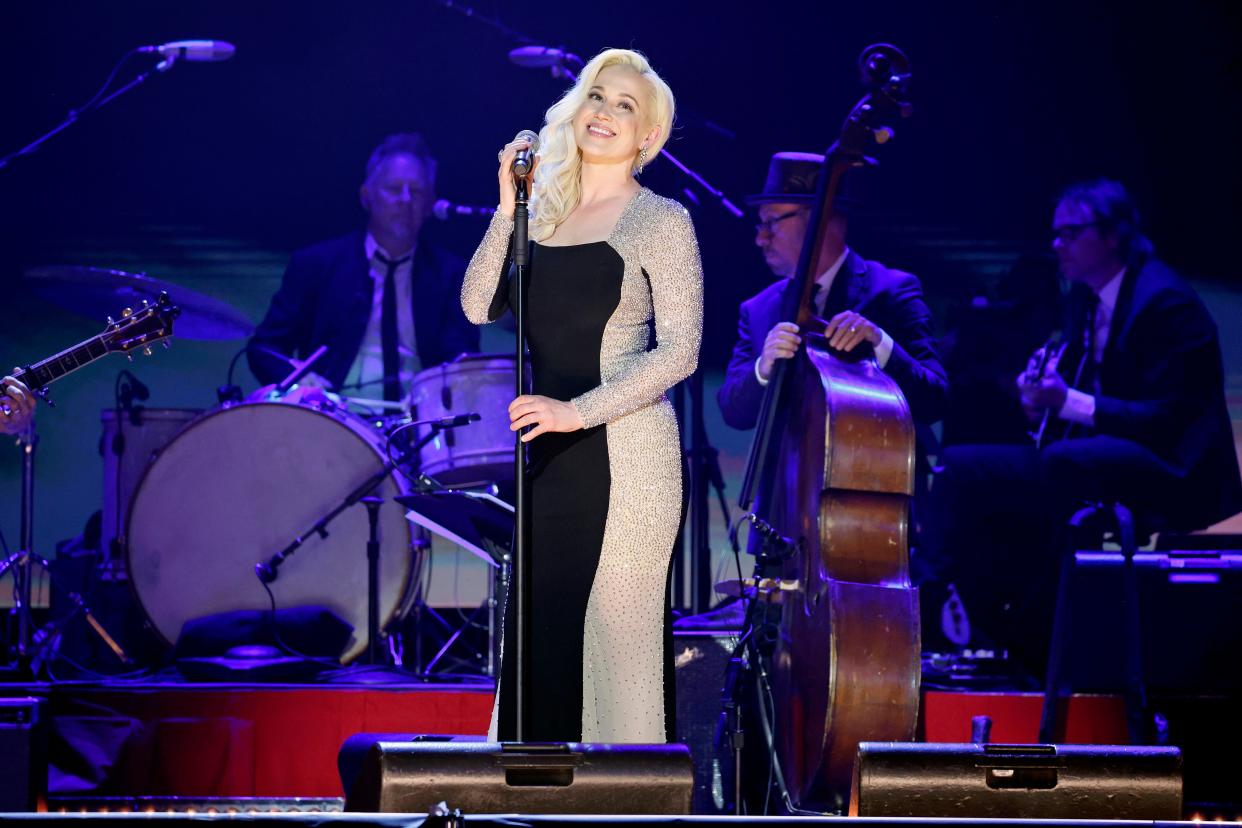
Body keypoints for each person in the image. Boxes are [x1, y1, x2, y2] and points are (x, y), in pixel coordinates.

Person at [461, 48, 703, 743]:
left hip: (630, 456)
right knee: (543, 630)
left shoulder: (662, 220)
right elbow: (479, 307)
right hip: (553, 462)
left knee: (613, 642)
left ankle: (624, 809)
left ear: (647, 137)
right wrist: (508, 206)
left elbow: (681, 352)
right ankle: (533, 801)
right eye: (598, 96)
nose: (605, 112)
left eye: (625, 106)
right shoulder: (540, 214)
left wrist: (576, 411)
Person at [917, 179, 1242, 664]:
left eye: (1070, 233)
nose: (1056, 244)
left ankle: (978, 615)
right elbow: (1072, 393)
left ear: (1113, 235)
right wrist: (1036, 401)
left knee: (1061, 464)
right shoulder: (1086, 300)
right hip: (1110, 452)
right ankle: (965, 611)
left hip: (1175, 467)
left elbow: (1167, 419)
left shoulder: (1166, 303)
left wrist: (1065, 401)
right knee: (965, 466)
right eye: (1055, 233)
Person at [717, 152, 947, 433]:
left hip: (874, 473)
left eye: (771, 222)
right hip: (788, 478)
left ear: (820, 221)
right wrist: (762, 369)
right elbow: (733, 412)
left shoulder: (893, 290)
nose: (760, 238)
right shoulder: (758, 309)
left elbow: (935, 400)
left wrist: (880, 344)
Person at [249, 133, 479, 398]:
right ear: (366, 196)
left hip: (418, 425)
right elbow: (264, 349)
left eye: (416, 191)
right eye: (393, 189)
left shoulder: (451, 275)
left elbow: (461, 361)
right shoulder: (317, 265)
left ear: (429, 204)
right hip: (331, 418)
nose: (405, 200)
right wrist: (298, 378)